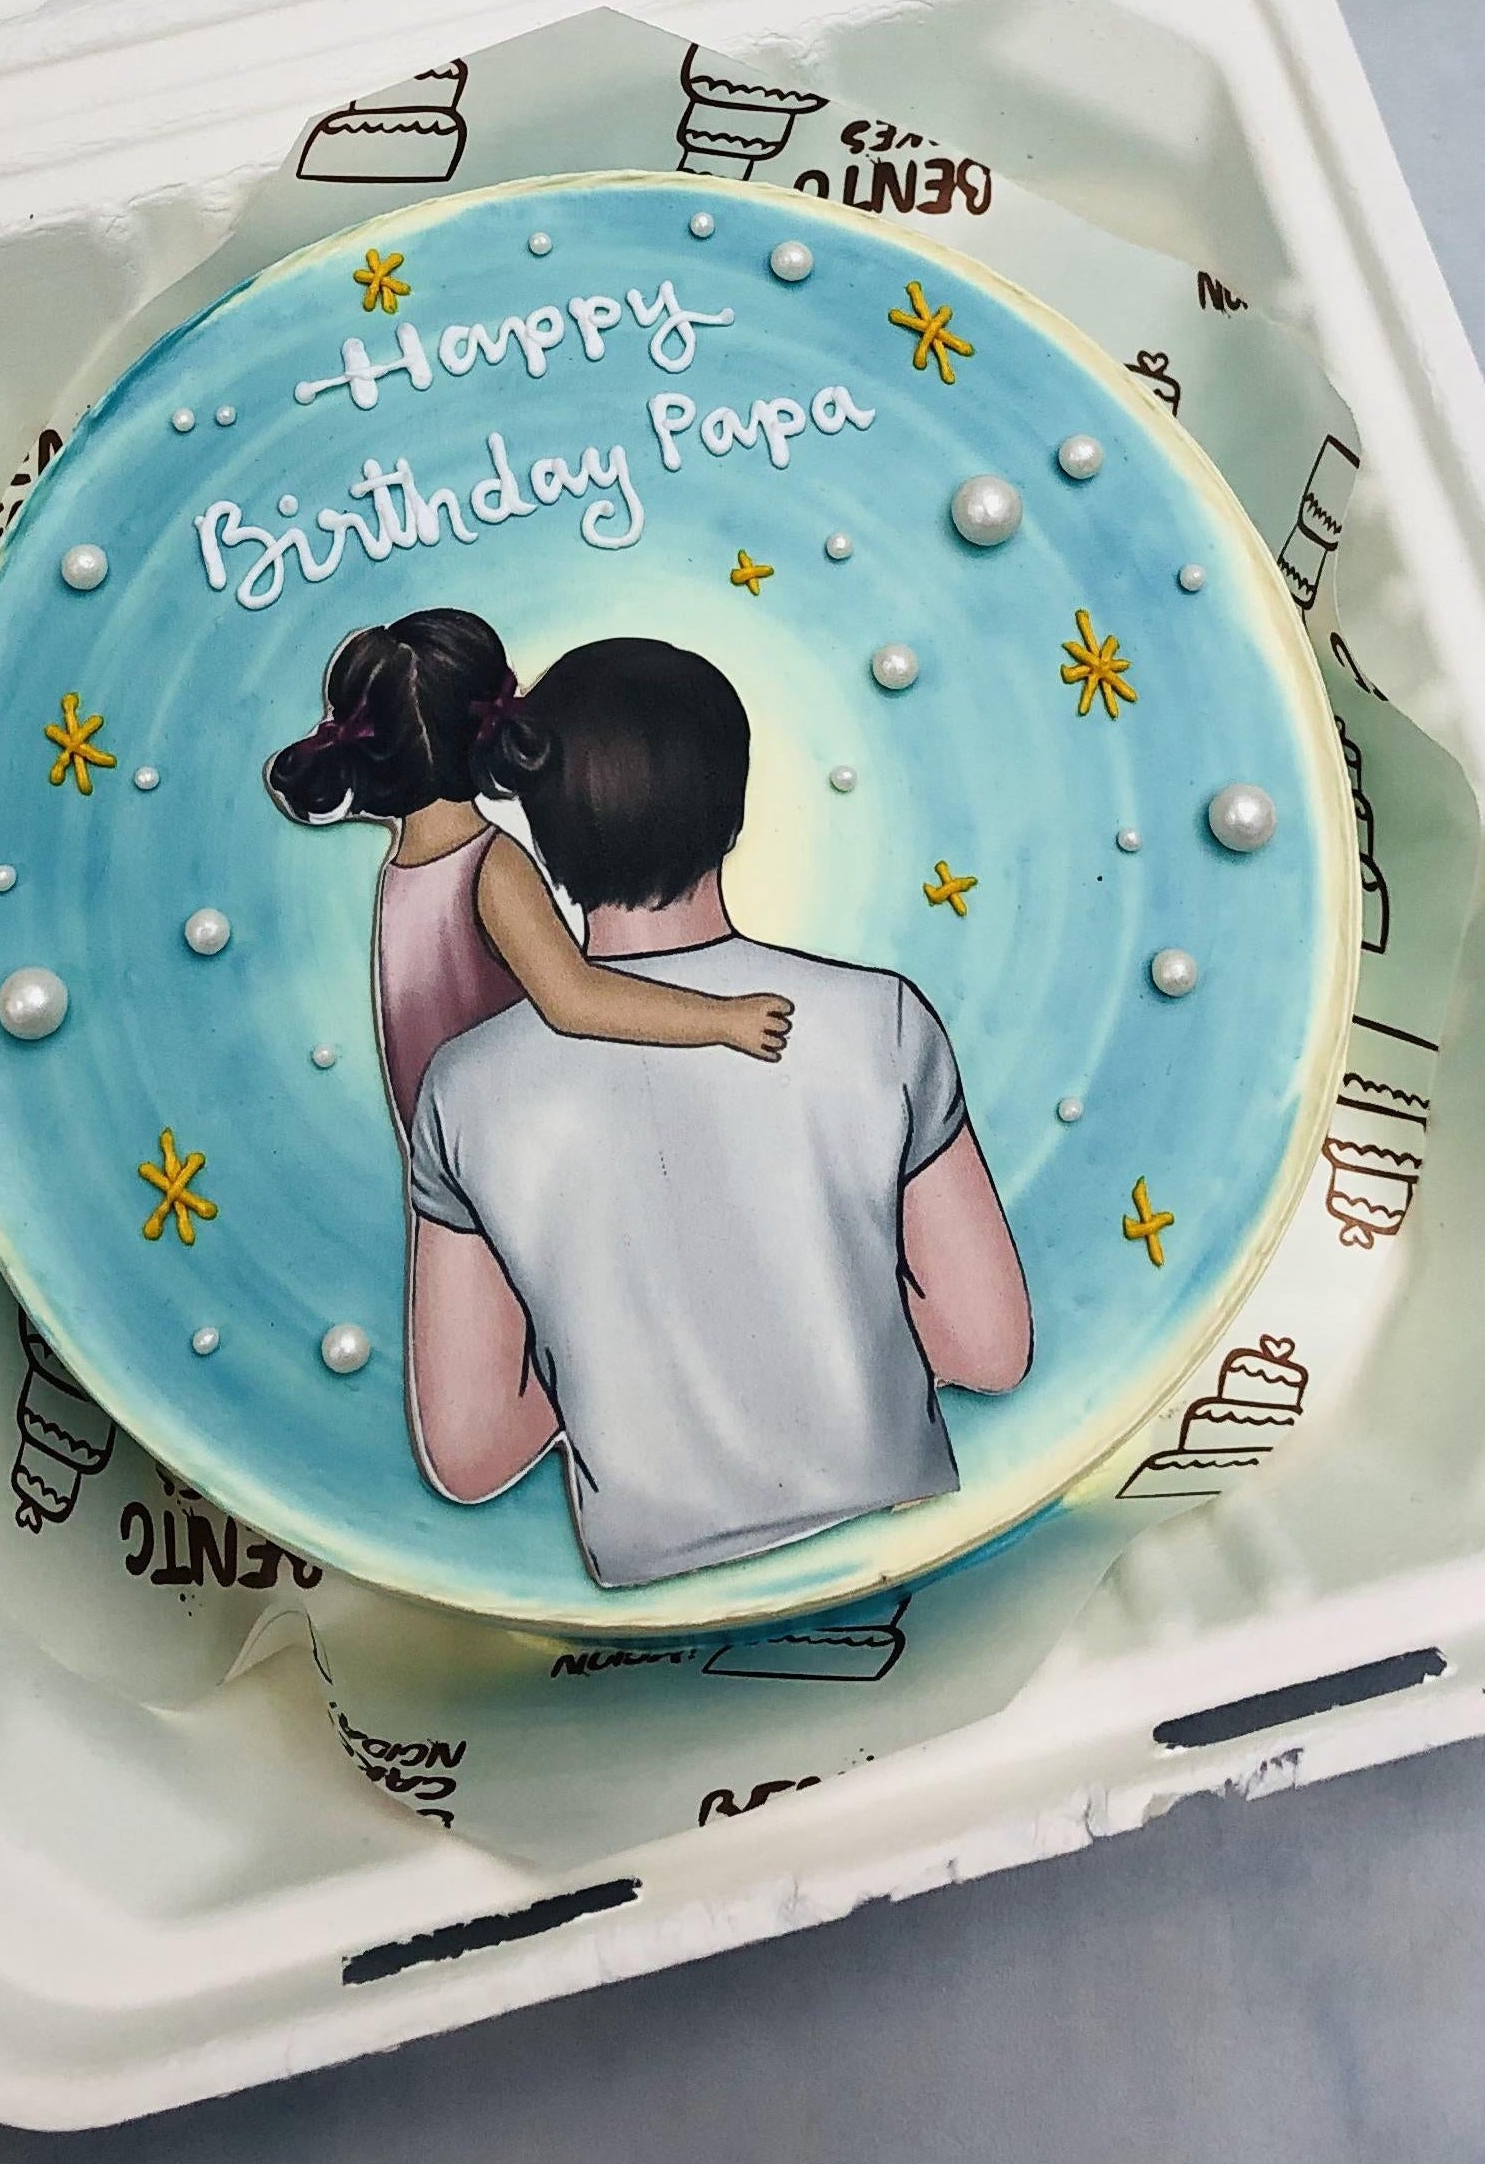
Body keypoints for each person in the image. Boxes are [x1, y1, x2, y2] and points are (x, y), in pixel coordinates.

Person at [402, 636, 1031, 1591]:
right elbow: (989, 1348)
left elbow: (471, 1449)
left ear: (541, 823)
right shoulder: (880, 1021)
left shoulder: (463, 1089)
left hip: (649, 1594)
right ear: (735, 810)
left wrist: (617, 1353)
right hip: (904, 1547)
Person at [263, 611, 792, 1138]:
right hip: (516, 1139)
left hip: (449, 1143)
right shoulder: (486, 865)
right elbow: (573, 1000)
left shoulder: (403, 874)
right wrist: (723, 1020)